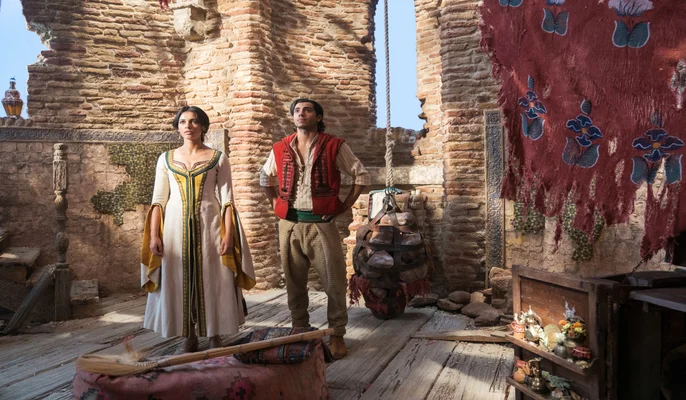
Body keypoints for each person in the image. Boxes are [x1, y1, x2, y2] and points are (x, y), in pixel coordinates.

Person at [141, 106, 256, 353]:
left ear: (203, 126)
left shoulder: (218, 158)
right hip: (174, 228)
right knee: (178, 277)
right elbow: (158, 201)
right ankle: (189, 335)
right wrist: (154, 235)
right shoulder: (166, 159)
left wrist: (228, 234)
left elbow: (227, 200)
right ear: (177, 127)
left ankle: (215, 333)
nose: (188, 126)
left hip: (210, 224)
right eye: (183, 121)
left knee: (213, 277)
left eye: (193, 121)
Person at [260, 98, 369, 359]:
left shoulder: (334, 145)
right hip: (289, 224)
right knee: (293, 280)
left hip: (322, 224)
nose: (301, 114)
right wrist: (275, 203)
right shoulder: (280, 147)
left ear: (318, 117)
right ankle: (299, 328)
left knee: (334, 281)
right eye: (297, 110)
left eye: (307, 110)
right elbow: (265, 177)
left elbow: (361, 175)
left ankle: (337, 333)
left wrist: (344, 205)